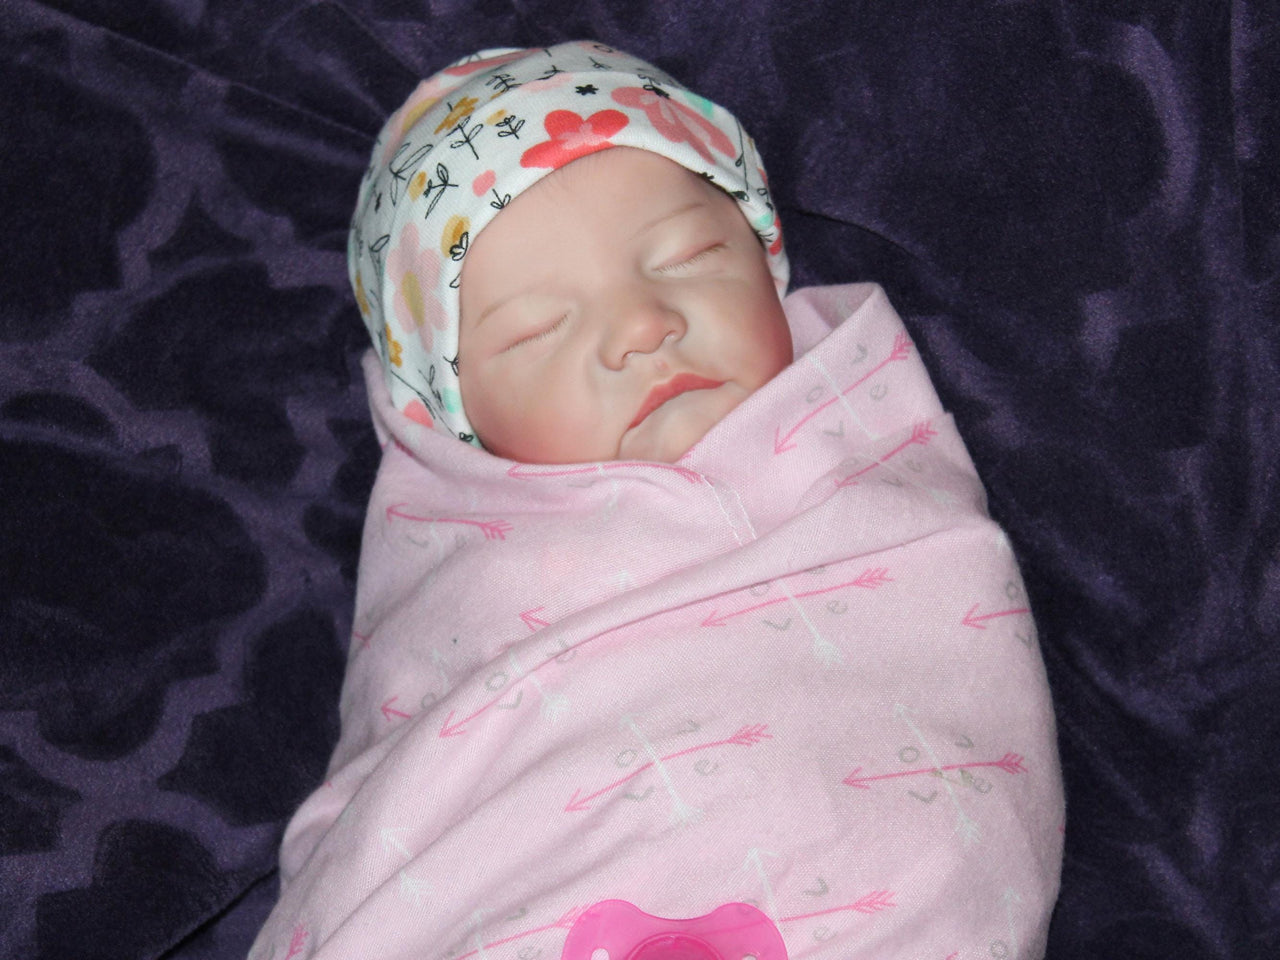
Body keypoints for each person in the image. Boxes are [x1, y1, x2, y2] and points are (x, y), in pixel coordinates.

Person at [252, 41, 1063, 960]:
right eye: (538, 329)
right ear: (452, 418)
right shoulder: (459, 590)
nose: (642, 327)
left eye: (688, 258)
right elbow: (405, 812)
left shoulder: (867, 462)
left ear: (768, 263)